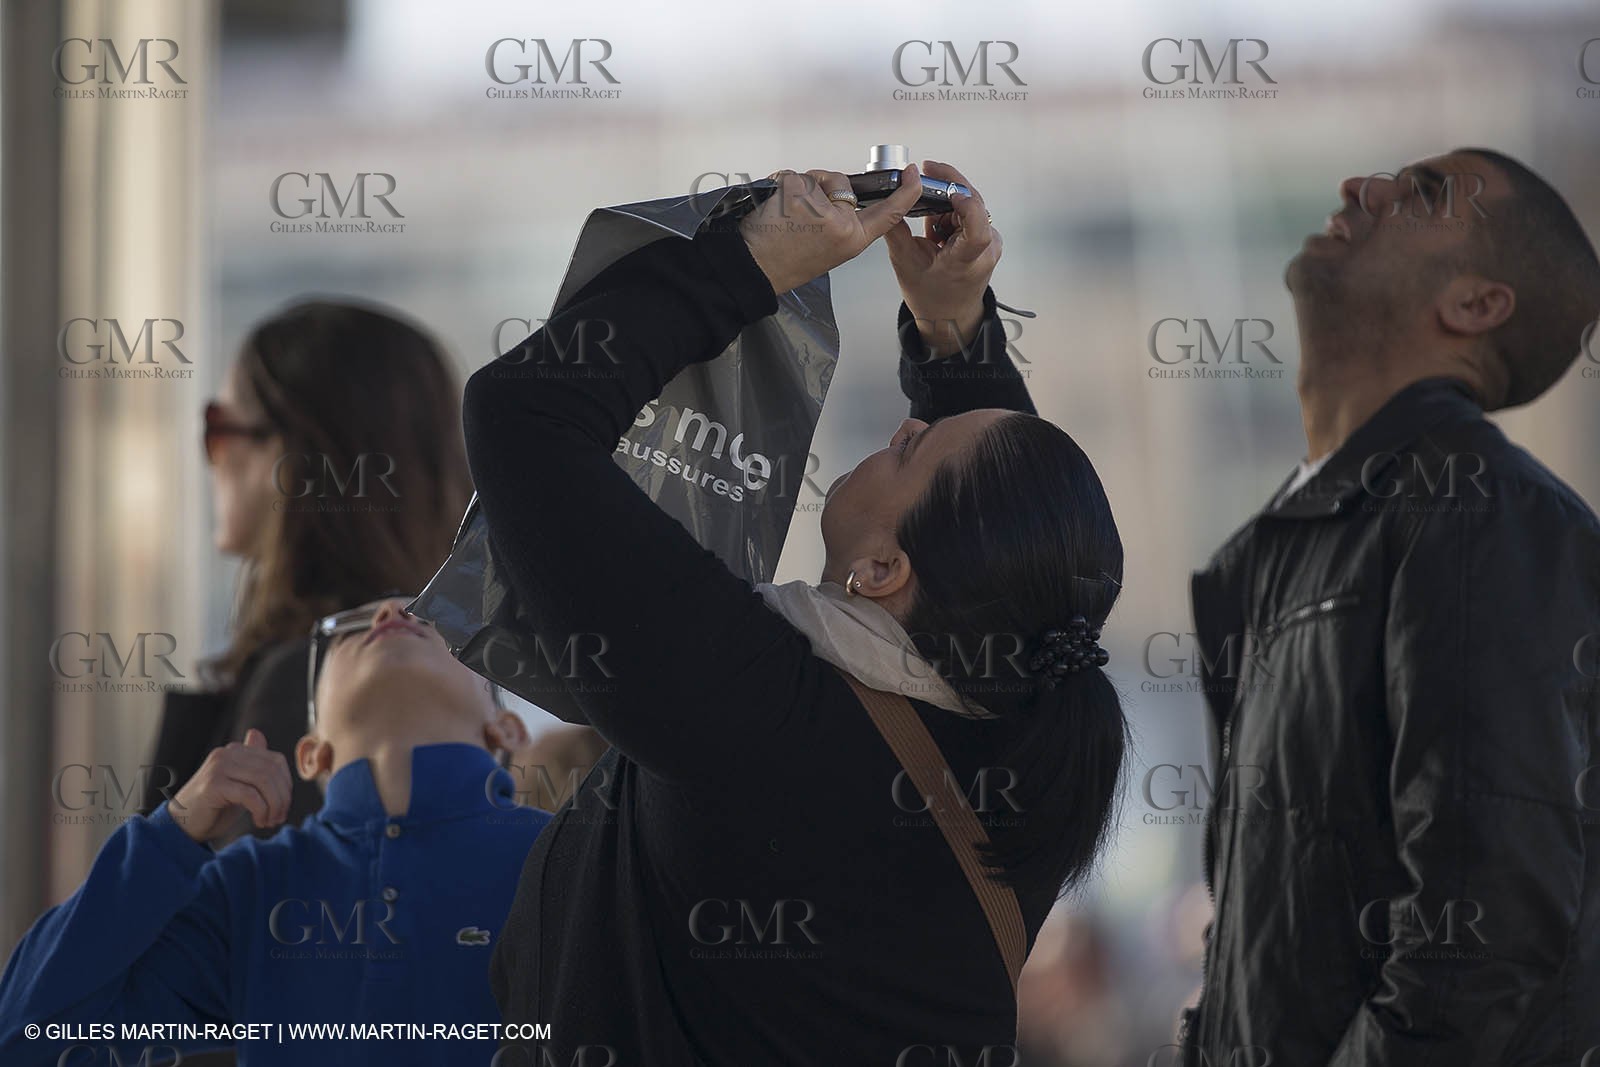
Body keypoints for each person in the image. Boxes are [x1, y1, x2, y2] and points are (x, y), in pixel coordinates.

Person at [468, 162, 1129, 1064]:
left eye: (914, 449)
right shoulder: (1028, 746)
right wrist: (953, 333)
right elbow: (1020, 546)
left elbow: (525, 414)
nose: (903, 427)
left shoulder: (759, 710)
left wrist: (746, 267)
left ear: (883, 570)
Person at [1183, 149, 1600, 1064]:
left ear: (1477, 305)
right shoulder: (1279, 552)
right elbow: (1261, 946)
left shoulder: (1481, 511)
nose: (1360, 187)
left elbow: (1483, 930)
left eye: (1427, 193)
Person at [0, 598, 551, 1066]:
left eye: (431, 616)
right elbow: (29, 1041)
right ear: (311, 754)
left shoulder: (559, 858)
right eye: (352, 626)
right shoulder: (248, 889)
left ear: (506, 730)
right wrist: (172, 833)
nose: (389, 613)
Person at [141, 301, 473, 837]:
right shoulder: (451, 671)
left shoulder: (316, 684)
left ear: (289, 456)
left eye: (218, 427)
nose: (210, 458)